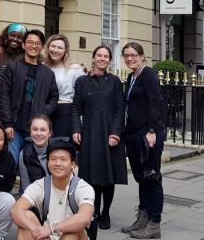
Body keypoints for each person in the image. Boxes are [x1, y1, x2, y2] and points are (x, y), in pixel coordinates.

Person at [71, 45, 126, 231]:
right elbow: (76, 107)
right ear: (93, 58)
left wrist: (115, 133)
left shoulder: (115, 82)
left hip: (110, 133)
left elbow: (120, 109)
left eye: (106, 56)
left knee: (108, 177)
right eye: (99, 55)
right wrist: (76, 129)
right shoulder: (81, 82)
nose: (102, 59)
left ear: (109, 60)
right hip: (90, 133)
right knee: (91, 176)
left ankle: (106, 212)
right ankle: (92, 211)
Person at [121, 42, 165, 239]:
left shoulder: (148, 74)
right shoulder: (132, 76)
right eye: (126, 56)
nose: (130, 58)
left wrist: (152, 130)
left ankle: (154, 223)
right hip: (133, 133)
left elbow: (156, 102)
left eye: (133, 55)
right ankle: (143, 218)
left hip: (147, 134)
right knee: (141, 178)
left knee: (152, 176)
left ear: (142, 56)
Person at [11, 140, 95, 240]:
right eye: (53, 159)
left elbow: (84, 218)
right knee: (26, 217)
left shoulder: (83, 187)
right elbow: (16, 210)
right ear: (48, 163)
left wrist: (51, 228)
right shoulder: (41, 185)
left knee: (72, 232)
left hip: (72, 236)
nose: (58, 163)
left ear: (73, 164)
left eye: (63, 160)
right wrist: (35, 230)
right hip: (47, 236)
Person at [0, 29, 59, 162]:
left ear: (42, 47)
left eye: (37, 43)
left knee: (32, 167)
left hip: (36, 131)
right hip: (14, 128)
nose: (34, 46)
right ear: (24, 45)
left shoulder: (48, 74)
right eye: (30, 42)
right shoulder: (12, 68)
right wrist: (7, 123)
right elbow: (3, 96)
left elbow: (54, 98)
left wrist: (43, 112)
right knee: (11, 163)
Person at [42, 35, 86, 139]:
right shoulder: (43, 67)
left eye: (60, 48)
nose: (55, 50)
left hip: (65, 112)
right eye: (53, 46)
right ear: (48, 47)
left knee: (61, 146)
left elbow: (84, 93)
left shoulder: (74, 69)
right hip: (45, 112)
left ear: (65, 50)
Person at [18, 115, 54, 194]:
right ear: (30, 133)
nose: (38, 133)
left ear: (50, 133)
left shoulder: (59, 151)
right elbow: (26, 188)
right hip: (36, 198)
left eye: (43, 130)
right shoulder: (24, 154)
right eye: (34, 129)